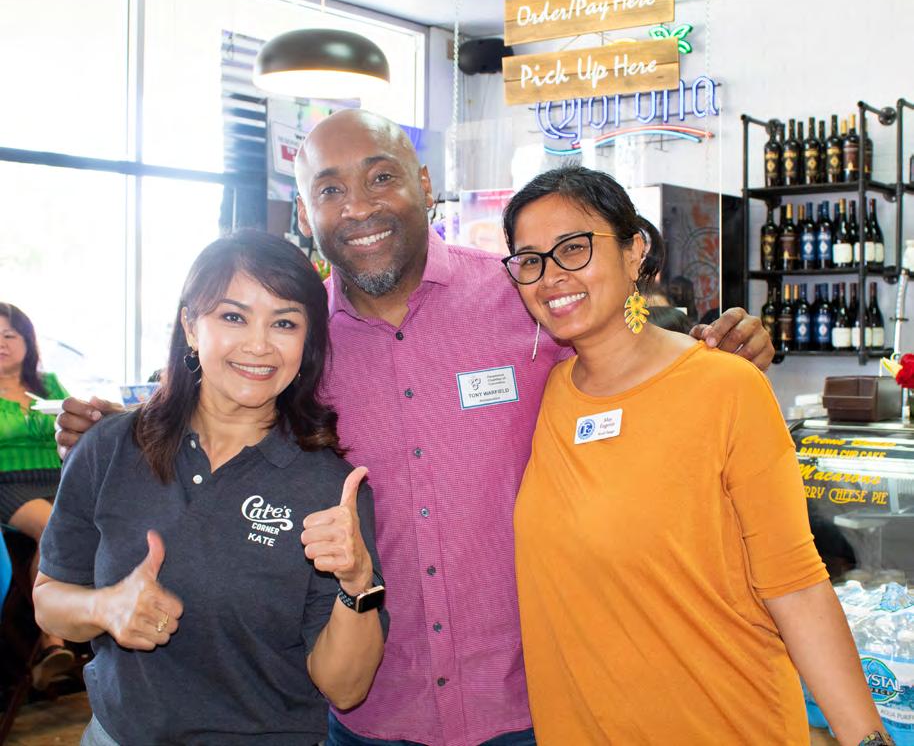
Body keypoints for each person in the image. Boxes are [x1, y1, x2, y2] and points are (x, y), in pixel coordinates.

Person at [57, 110, 775, 746]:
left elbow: (624, 359)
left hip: (531, 698)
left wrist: (710, 348)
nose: (358, 207)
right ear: (305, 212)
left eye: (381, 177)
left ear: (424, 184)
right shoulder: (298, 338)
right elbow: (223, 403)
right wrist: (120, 430)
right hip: (370, 709)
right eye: (329, 190)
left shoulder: (520, 295)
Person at [501, 165, 888, 745]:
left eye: (574, 247)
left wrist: (866, 739)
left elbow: (798, 587)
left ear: (635, 251)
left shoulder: (725, 385)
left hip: (724, 722)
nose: (552, 275)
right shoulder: (548, 393)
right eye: (530, 260)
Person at [34, 230, 386, 745]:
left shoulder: (331, 487)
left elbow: (346, 689)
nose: (259, 345)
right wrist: (104, 608)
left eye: (284, 323)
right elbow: (48, 599)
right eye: (233, 317)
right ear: (190, 326)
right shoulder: (108, 447)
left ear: (306, 343)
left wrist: (356, 583)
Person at [0, 302, 75, 688]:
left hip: (59, 479)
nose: (2, 343)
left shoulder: (50, 384)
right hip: (7, 484)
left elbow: (77, 426)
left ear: (28, 342)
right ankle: (52, 644)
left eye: (9, 335)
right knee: (52, 528)